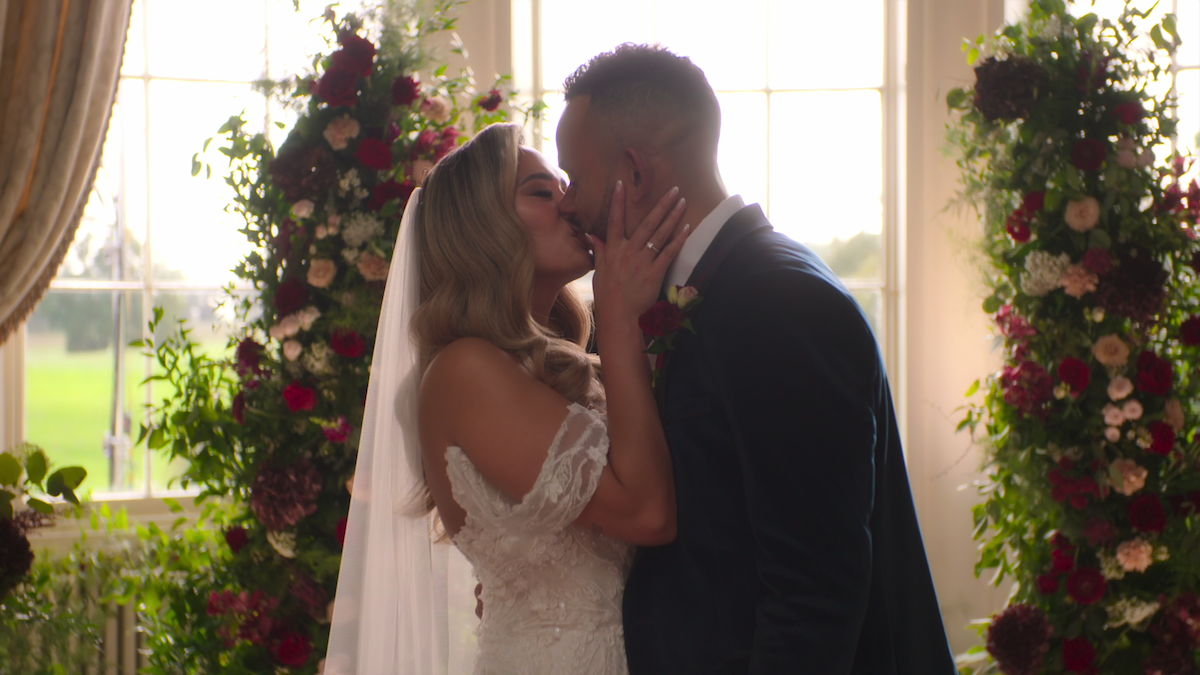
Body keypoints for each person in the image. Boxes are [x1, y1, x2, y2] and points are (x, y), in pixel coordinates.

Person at [554, 44, 958, 674]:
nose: (568, 205)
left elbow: (814, 591)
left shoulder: (779, 301)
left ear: (633, 172)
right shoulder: (663, 297)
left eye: (574, 181)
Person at [326, 122, 691, 675]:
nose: (570, 204)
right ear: (483, 228)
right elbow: (648, 513)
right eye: (542, 192)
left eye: (564, 186)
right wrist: (619, 321)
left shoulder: (560, 366)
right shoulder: (466, 370)